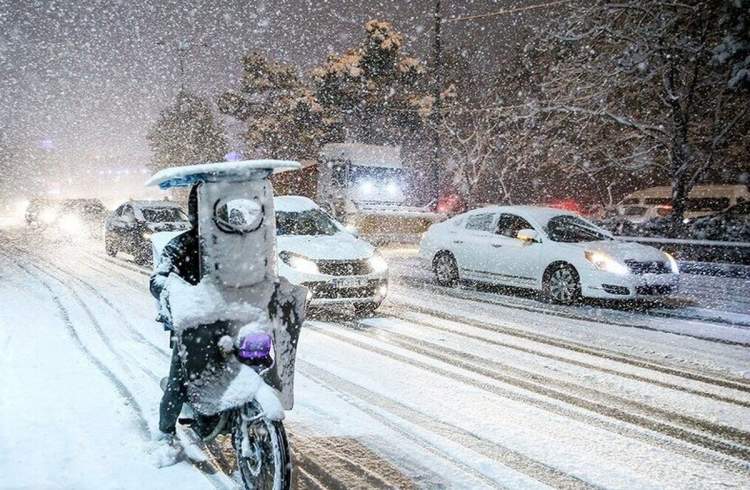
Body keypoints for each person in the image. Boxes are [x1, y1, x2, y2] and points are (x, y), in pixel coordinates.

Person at [149, 185, 201, 443]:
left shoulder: (245, 246)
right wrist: (173, 288)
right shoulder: (181, 245)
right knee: (179, 380)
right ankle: (165, 432)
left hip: (238, 319)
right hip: (196, 323)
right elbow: (157, 280)